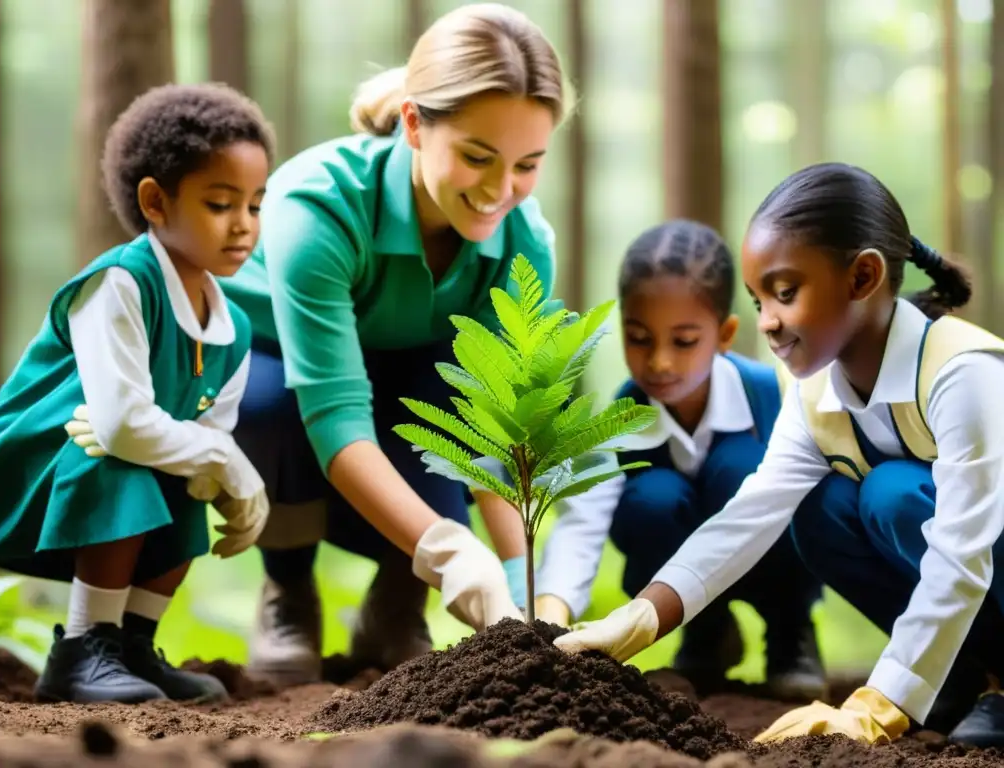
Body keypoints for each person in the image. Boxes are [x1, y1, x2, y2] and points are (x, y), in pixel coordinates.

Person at [552, 163, 1004, 748]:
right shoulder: (814, 391)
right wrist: (640, 618)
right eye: (760, 298)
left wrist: (878, 704)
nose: (767, 323)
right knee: (823, 508)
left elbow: (962, 552)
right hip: (970, 586)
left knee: (894, 495)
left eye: (786, 293)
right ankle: (955, 675)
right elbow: (749, 516)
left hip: (984, 557)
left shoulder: (962, 372)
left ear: (863, 276)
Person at [219, 2, 570, 686]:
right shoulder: (317, 209)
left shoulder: (524, 243)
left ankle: (394, 602)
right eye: (477, 157)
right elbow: (336, 413)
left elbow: (491, 426)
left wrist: (525, 587)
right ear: (414, 123)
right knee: (266, 406)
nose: (502, 191)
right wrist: (447, 551)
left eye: (528, 164)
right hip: (285, 369)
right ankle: (288, 590)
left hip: (414, 373)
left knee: (450, 419)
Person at [0, 83, 275, 704]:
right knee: (122, 450)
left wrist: (217, 465)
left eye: (255, 204)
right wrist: (223, 460)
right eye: (221, 203)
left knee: (187, 473)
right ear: (155, 201)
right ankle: (82, 649)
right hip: (29, 466)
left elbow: (206, 441)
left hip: (105, 468)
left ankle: (131, 645)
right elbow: (118, 425)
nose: (243, 225)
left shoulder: (233, 326)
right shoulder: (120, 282)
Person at [533, 220, 825, 700]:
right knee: (650, 497)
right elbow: (581, 525)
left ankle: (790, 631)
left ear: (725, 333)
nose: (659, 362)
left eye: (684, 341)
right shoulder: (619, 419)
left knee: (739, 471)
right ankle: (705, 630)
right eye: (639, 338)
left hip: (775, 560)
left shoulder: (774, 397)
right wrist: (550, 616)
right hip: (677, 584)